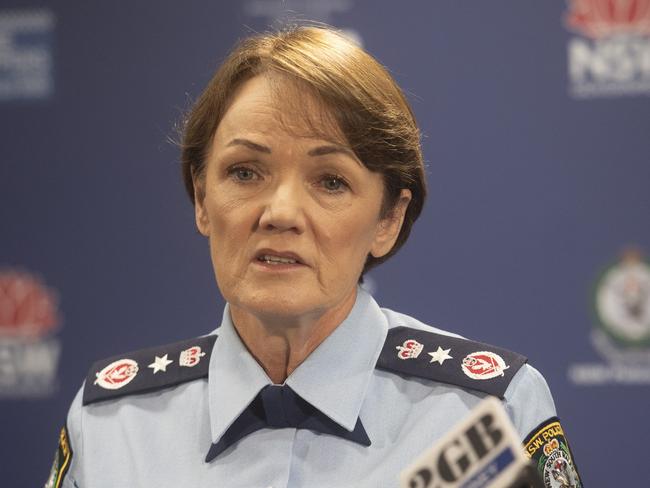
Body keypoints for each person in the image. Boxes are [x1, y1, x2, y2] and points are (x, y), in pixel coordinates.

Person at [47, 26, 582, 488]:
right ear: (202, 199)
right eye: (245, 172)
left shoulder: (484, 419)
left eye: (330, 181)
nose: (280, 212)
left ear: (388, 219)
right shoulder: (112, 422)